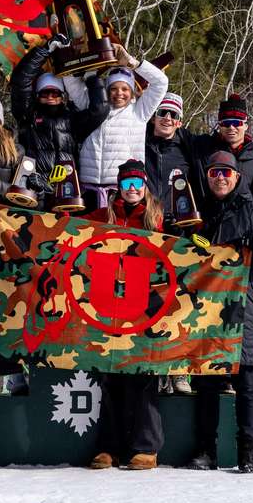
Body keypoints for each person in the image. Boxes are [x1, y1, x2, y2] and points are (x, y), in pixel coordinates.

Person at [187, 151, 253, 473]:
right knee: (206, 383)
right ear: (208, 177)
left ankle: (246, 450)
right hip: (205, 308)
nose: (220, 178)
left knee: (246, 382)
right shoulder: (197, 211)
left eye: (226, 173)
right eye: (214, 173)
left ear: (236, 177)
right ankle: (207, 449)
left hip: (243, 305)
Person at [84, 159, 165, 470]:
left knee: (145, 375)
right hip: (109, 304)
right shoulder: (104, 215)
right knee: (110, 375)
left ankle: (146, 447)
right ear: (118, 187)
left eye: (137, 184)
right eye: (126, 184)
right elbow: (72, 229)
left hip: (145, 304)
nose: (132, 190)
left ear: (144, 186)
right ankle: (109, 447)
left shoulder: (156, 217)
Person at [9, 36, 107, 207]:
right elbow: (20, 81)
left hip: (66, 192)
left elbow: (100, 110)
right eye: (44, 93)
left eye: (55, 93)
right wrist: (44, 50)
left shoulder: (72, 118)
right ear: (37, 95)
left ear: (62, 96)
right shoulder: (28, 115)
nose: (50, 97)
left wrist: (92, 79)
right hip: (33, 189)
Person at [144, 91, 197, 396]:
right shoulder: (140, 138)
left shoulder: (187, 147)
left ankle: (178, 370)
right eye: (162, 112)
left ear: (181, 121)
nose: (167, 119)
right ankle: (152, 369)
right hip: (145, 230)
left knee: (177, 304)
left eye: (173, 115)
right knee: (148, 304)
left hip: (178, 233)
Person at [77, 47, 169, 210]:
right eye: (113, 88)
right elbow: (71, 84)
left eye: (125, 89)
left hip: (123, 190)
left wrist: (133, 64)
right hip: (87, 190)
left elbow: (161, 83)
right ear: (106, 90)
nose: (119, 93)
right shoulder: (92, 108)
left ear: (132, 92)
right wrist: (86, 60)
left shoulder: (139, 112)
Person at [191, 93, 253, 197]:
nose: (231, 127)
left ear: (246, 126)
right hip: (213, 211)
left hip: (249, 212)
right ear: (220, 126)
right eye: (226, 123)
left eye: (237, 123)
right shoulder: (204, 149)